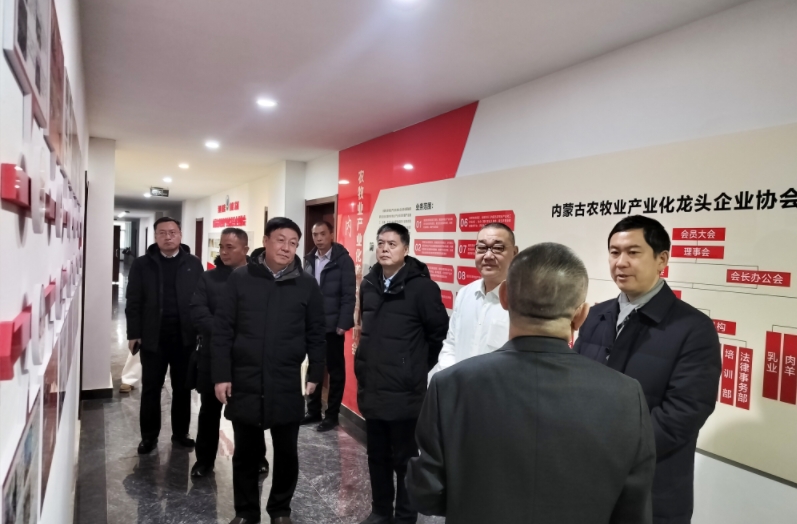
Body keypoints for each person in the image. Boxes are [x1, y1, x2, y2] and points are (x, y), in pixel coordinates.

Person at [406, 243, 656, 524]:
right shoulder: (626, 395)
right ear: (581, 315)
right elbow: (633, 510)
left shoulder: (450, 386)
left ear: (504, 297)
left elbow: (426, 494)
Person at [574, 215, 721, 524]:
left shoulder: (693, 328)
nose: (621, 262)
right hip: (587, 481)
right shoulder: (597, 316)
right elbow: (572, 385)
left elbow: (684, 412)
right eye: (614, 252)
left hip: (651, 490)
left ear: (661, 260)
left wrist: (610, 447)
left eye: (633, 252)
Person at [212, 217, 326, 524]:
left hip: (286, 379)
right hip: (245, 377)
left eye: (293, 243)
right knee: (246, 452)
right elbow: (222, 330)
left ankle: (280, 510)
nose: (287, 248)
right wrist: (221, 374)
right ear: (265, 241)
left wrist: (316, 373)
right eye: (281, 240)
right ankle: (246, 512)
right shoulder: (241, 278)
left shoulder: (306, 284)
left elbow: (317, 333)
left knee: (287, 451)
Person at [355, 223, 449, 524]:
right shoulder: (368, 284)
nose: (384, 249)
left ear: (406, 249)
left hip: (405, 391)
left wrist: (414, 367)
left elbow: (438, 335)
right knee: (376, 455)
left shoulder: (422, 288)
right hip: (372, 385)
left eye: (392, 244)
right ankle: (380, 510)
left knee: (405, 458)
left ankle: (405, 516)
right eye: (381, 243)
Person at [189, 228, 268, 478]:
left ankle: (258, 456)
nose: (223, 252)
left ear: (245, 249)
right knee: (209, 411)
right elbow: (198, 311)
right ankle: (204, 461)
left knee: (251, 412)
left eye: (229, 247)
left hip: (247, 358)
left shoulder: (259, 277)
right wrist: (224, 332)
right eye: (221, 246)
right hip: (213, 354)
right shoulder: (209, 278)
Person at [125, 218, 203, 454]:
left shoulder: (193, 263)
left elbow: (200, 299)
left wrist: (200, 331)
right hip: (153, 337)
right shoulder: (142, 264)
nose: (168, 237)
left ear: (180, 234)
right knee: (151, 388)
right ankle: (149, 437)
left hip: (184, 338)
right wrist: (134, 333)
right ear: (156, 236)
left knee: (182, 388)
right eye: (162, 233)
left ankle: (181, 433)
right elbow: (133, 300)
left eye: (172, 232)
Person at [432, 222, 517, 375]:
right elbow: (451, 344)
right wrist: (449, 379)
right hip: (458, 385)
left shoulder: (522, 301)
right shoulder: (465, 293)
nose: (488, 256)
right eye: (482, 248)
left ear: (515, 253)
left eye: (498, 248)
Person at [301, 220, 356, 432]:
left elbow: (349, 294)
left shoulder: (343, 260)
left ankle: (332, 415)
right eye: (315, 235)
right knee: (314, 367)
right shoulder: (308, 259)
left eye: (322, 234)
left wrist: (343, 322)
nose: (319, 238)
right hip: (312, 325)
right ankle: (313, 411)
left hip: (333, 326)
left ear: (331, 235)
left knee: (335, 371)